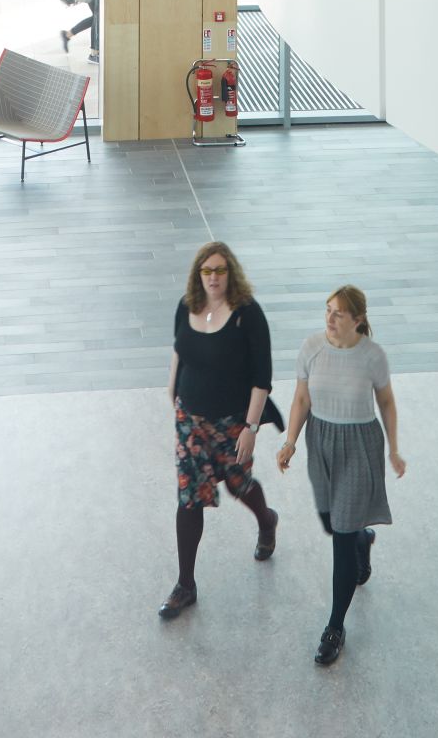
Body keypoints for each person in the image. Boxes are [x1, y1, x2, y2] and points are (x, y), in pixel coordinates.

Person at [276, 284, 405, 668]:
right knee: (335, 525)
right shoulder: (311, 348)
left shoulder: (372, 357)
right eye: (327, 311)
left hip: (359, 445)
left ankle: (335, 627)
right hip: (321, 442)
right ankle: (363, 540)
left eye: (339, 314)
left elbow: (386, 402)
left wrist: (394, 449)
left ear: (358, 320)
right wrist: (290, 442)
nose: (330, 319)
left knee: (340, 538)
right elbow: (301, 399)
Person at [159, 240, 280, 619]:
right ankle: (185, 585)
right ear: (199, 274)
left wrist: (251, 427)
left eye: (220, 270)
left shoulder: (248, 315)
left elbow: (262, 379)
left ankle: (267, 519)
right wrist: (172, 388)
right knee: (189, 497)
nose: (213, 277)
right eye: (207, 271)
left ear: (231, 274)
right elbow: (179, 348)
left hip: (232, 421)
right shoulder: (186, 305)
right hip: (190, 421)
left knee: (236, 483)